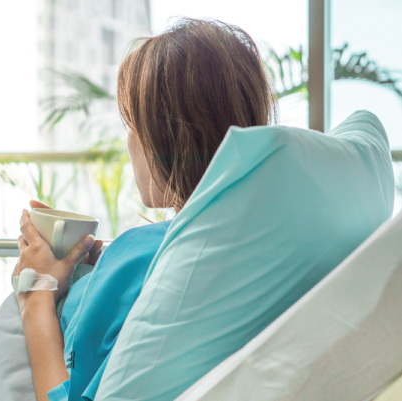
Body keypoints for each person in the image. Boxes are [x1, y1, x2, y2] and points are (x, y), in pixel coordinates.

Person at [14, 18, 276, 401]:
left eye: (133, 124)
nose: (129, 140)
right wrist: (96, 275)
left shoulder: (147, 255)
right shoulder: (258, 248)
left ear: (162, 139)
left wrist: (36, 292)